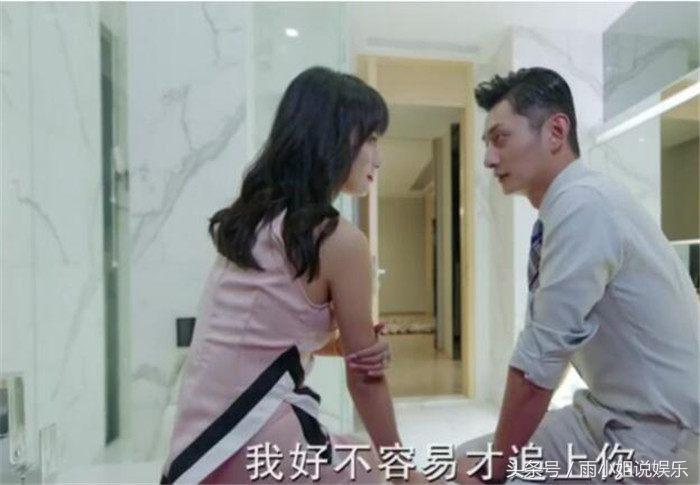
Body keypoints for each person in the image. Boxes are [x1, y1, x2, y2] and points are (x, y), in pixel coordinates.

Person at [160, 66, 417, 483]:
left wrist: (342, 345)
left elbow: (259, 335)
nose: (378, 157)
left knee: (354, 454)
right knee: (371, 469)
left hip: (198, 449)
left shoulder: (254, 221)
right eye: (371, 138)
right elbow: (365, 381)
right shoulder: (339, 241)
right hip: (249, 430)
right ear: (334, 137)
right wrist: (403, 471)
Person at [456, 67, 699, 484]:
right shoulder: (568, 205)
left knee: (475, 474)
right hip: (608, 415)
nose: (489, 159)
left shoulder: (583, 206)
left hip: (661, 438)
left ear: (556, 131)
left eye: (500, 138)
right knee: (463, 465)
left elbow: (538, 365)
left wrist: (498, 471)